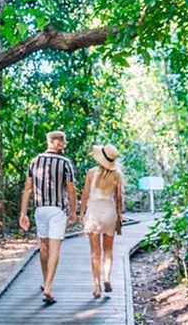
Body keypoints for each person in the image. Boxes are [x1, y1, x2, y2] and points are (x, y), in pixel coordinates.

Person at [19, 130, 77, 305]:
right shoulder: (65, 163)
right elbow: (71, 189)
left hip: (40, 209)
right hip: (57, 209)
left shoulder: (34, 161)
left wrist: (23, 213)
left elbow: (28, 188)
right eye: (63, 142)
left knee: (43, 247)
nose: (63, 145)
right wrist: (74, 210)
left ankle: (45, 281)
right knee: (54, 248)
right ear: (58, 143)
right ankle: (49, 286)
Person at [79, 143, 124, 298]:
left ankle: (97, 287)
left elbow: (85, 195)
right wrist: (119, 214)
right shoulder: (117, 175)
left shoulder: (91, 172)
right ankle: (107, 278)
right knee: (108, 251)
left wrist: (81, 213)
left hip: (94, 213)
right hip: (109, 213)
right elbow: (118, 198)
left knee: (95, 252)